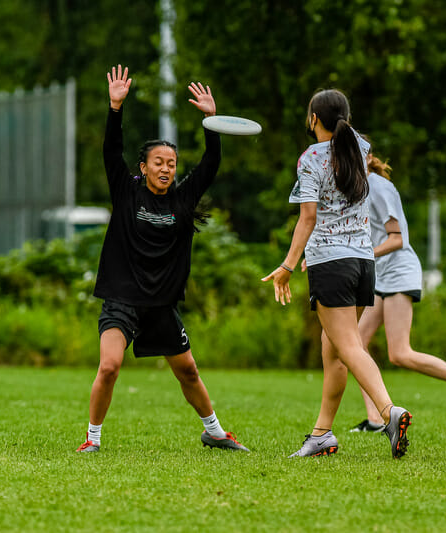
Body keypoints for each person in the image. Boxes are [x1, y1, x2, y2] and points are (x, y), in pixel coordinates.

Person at [76, 65, 248, 453]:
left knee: (188, 370)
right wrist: (115, 108)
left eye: (171, 163)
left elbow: (209, 165)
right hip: (122, 298)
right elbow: (110, 150)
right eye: (158, 162)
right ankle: (93, 438)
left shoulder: (181, 200)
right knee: (109, 367)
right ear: (144, 167)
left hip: (160, 304)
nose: (166, 168)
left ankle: (215, 431)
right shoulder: (126, 190)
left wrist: (211, 121)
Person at [262, 89, 411, 458]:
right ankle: (322, 434)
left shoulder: (311, 157)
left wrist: (287, 265)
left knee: (347, 346)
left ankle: (388, 412)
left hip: (331, 263)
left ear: (313, 118)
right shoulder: (359, 146)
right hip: (364, 263)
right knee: (336, 351)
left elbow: (308, 217)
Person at [349, 150, 446, 432]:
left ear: (366, 158)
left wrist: (361, 254)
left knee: (400, 353)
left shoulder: (379, 186)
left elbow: (397, 239)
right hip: (382, 273)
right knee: (356, 344)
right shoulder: (360, 189)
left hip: (399, 271)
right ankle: (377, 419)